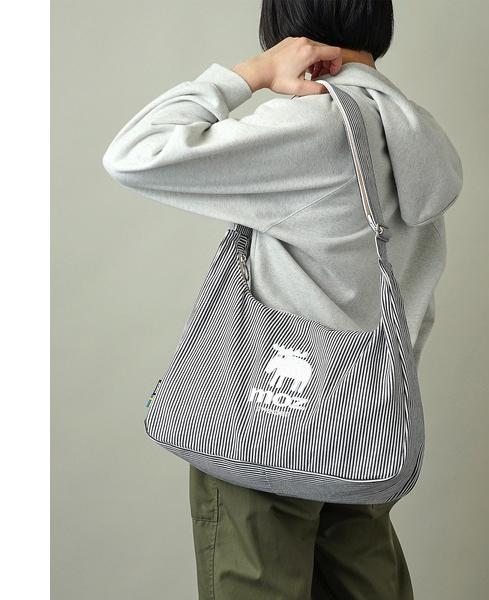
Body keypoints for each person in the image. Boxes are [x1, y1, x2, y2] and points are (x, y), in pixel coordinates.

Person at [102, 1, 462, 598]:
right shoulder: (416, 136)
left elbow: (134, 153)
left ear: (285, 25)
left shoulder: (314, 125)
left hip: (266, 433)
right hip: (367, 432)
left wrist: (250, 73)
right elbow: (413, 301)